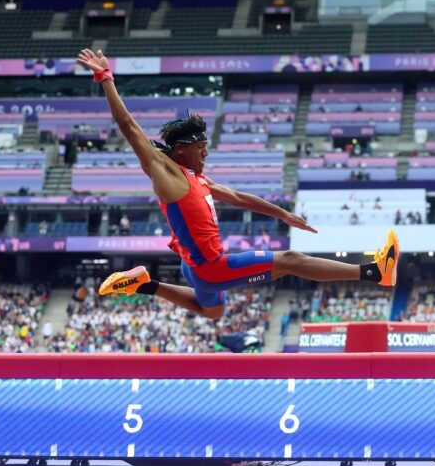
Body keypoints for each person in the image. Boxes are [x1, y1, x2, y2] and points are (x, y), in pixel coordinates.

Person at [77, 49, 400, 321]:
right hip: (212, 267)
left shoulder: (196, 178)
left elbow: (237, 197)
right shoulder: (166, 173)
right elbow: (129, 127)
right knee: (290, 260)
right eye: (200, 149)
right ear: (180, 150)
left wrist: (283, 215)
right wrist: (105, 78)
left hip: (194, 269)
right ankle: (374, 271)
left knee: (213, 313)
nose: (205, 154)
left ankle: (144, 284)